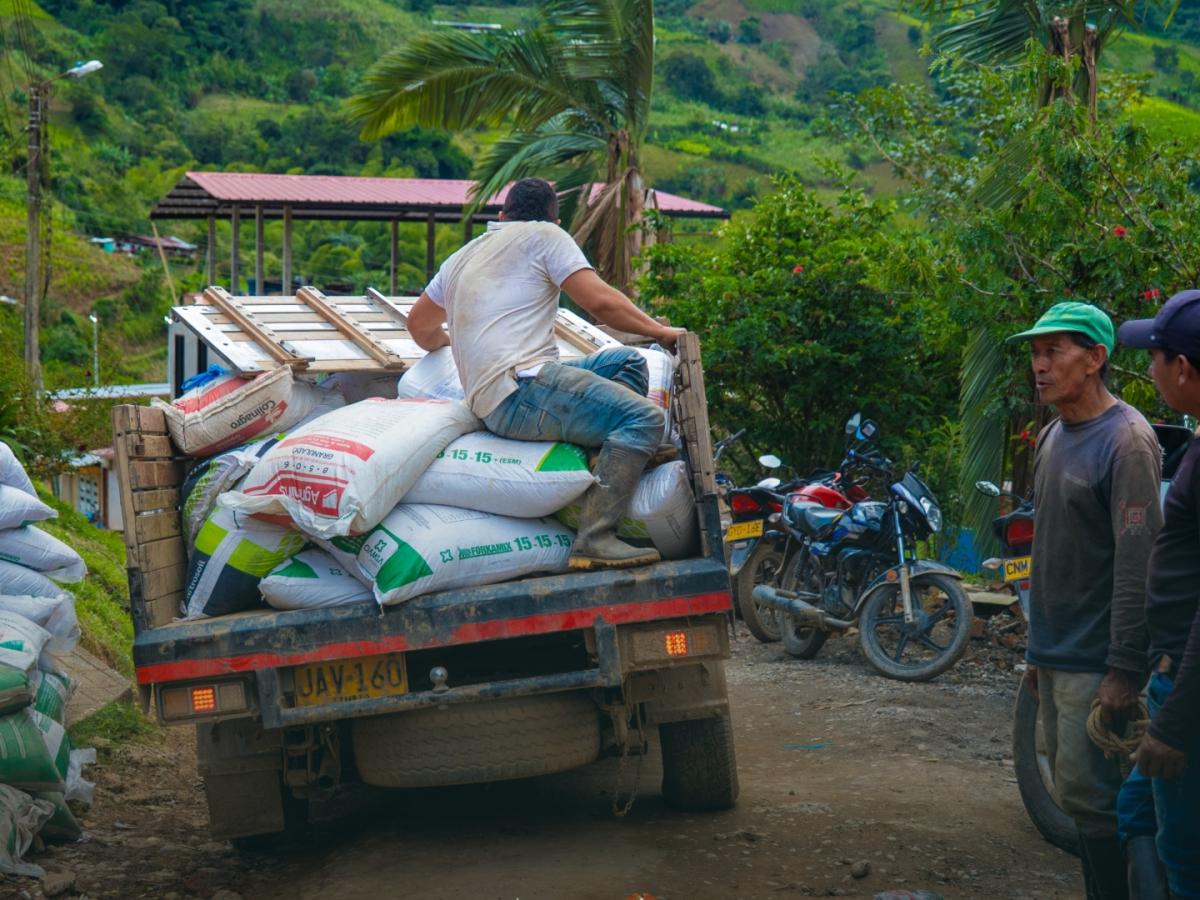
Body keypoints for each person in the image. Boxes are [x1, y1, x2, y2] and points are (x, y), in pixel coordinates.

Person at [407, 177, 686, 570]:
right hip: (524, 392)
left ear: (502, 217)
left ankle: (601, 454)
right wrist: (660, 332)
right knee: (644, 418)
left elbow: (419, 326)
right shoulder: (546, 237)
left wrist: (452, 347)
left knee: (627, 362)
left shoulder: (462, 256)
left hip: (502, 395)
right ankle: (595, 539)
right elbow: (601, 302)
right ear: (555, 221)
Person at [1007, 301, 1164, 900]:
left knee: (1098, 806)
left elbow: (1137, 564)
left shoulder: (1127, 442)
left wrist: (1124, 669)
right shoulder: (1053, 436)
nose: (1039, 366)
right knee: (1079, 796)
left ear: (1096, 358)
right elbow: (1052, 560)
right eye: (1035, 353)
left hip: (1097, 660)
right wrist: (1035, 657)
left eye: (1054, 352)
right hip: (1057, 655)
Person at [1116, 289, 1200, 900]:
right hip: (1173, 675)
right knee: (1136, 810)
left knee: (1184, 858)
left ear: (1184, 369)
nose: (1148, 368)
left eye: (1155, 356)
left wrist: (1175, 723)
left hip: (1187, 691)